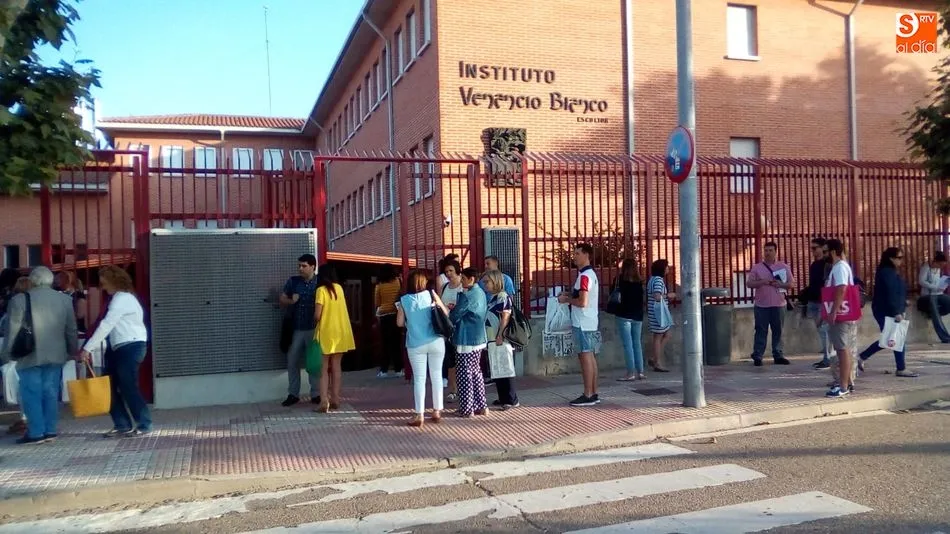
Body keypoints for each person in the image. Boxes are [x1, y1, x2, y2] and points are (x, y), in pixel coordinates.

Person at [1, 268, 76, 444]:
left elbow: (12, 329)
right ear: (51, 281)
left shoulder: (19, 300)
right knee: (51, 392)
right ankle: (50, 430)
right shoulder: (65, 300)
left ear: (33, 281)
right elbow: (71, 329)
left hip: (29, 354)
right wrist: (73, 351)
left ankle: (36, 432)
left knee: (31, 393)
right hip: (57, 353)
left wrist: (7, 354)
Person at [80, 266, 150, 436]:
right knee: (111, 386)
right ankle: (123, 424)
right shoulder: (123, 298)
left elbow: (107, 324)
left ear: (114, 281)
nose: (102, 287)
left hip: (129, 346)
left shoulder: (122, 299)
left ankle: (142, 424)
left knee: (127, 386)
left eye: (104, 283)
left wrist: (88, 347)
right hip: (123, 346)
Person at [396, 270, 447, 427]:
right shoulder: (431, 295)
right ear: (424, 282)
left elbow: (399, 323)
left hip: (415, 343)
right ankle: (437, 410)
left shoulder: (404, 300)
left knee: (419, 379)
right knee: (437, 375)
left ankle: (419, 414)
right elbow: (444, 313)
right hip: (436, 341)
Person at [858, 248, 918, 378]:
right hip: (886, 310)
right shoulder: (886, 272)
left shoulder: (891, 272)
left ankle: (863, 357)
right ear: (891, 258)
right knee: (893, 338)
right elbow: (890, 293)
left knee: (893, 338)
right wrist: (896, 311)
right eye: (899, 257)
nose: (901, 260)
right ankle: (900, 368)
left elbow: (897, 291)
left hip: (891, 309)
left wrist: (904, 302)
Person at [560, 243, 601, 407]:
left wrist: (566, 300)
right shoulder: (589, 275)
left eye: (577, 253)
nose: (574, 256)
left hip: (582, 321)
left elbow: (582, 301)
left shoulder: (585, 276)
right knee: (589, 356)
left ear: (586, 255)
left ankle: (588, 393)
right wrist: (570, 294)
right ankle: (594, 391)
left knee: (585, 357)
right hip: (589, 320)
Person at [313, 264, 356, 414]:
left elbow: (318, 315)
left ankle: (324, 401)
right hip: (340, 332)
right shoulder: (339, 288)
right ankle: (336, 398)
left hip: (326, 332)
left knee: (323, 369)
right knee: (337, 366)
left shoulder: (320, 291)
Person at [278, 254, 320, 407]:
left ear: (313, 266)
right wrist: (291, 301)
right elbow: (282, 299)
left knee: (314, 362)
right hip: (296, 328)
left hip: (314, 329)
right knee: (292, 361)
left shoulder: (320, 282)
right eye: (299, 266)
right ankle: (293, 394)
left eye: (304, 266)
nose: (300, 268)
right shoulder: (293, 282)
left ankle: (316, 393)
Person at [449, 267, 489, 417]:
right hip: (478, 337)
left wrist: (450, 311)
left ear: (471, 279)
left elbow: (456, 315)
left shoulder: (469, 295)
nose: (462, 281)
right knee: (476, 372)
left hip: (466, 337)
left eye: (464, 279)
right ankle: (481, 405)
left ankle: (467, 408)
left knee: (464, 373)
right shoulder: (480, 293)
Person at [745, 242, 794, 366]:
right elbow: (749, 283)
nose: (768, 253)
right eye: (766, 250)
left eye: (770, 250)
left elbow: (790, 284)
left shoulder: (783, 267)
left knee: (778, 330)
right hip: (762, 305)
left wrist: (780, 284)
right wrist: (762, 281)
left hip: (779, 304)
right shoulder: (757, 267)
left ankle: (778, 355)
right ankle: (758, 355)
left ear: (776, 251)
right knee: (761, 330)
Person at [824, 239, 859, 398]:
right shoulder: (841, 267)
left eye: (826, 252)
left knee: (842, 349)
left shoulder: (839, 268)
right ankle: (846, 382)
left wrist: (834, 311)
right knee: (843, 349)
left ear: (832, 252)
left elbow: (841, 288)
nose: (824, 255)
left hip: (841, 315)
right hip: (842, 313)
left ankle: (843, 386)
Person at [482, 269, 519, 410]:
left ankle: (511, 399)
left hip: (499, 337)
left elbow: (505, 316)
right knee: (497, 368)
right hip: (491, 337)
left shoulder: (502, 296)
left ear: (495, 281)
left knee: (505, 368)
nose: (485, 285)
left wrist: (501, 334)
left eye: (487, 282)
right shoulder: (492, 297)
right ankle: (503, 397)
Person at [612, 259, 645, 381]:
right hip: (638, 315)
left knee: (628, 345)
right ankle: (640, 371)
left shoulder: (620, 280)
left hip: (623, 314)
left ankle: (630, 372)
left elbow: (613, 293)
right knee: (637, 343)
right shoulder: (639, 281)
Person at [805, 238, 834, 369]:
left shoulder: (828, 265)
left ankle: (828, 358)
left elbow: (828, 285)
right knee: (821, 331)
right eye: (812, 248)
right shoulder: (814, 265)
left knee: (825, 330)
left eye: (815, 248)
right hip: (814, 300)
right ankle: (827, 356)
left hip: (824, 302)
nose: (813, 251)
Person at [439, 259, 464, 403]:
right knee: (450, 361)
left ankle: (464, 388)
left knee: (463, 360)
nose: (448, 274)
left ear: (457, 271)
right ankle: (453, 389)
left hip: (461, 327)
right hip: (447, 328)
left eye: (451, 271)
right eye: (446, 271)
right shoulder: (444, 287)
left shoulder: (463, 286)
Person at [374, 264, 403, 378]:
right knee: (396, 343)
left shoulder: (379, 285)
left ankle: (384, 370)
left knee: (385, 344)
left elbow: (377, 303)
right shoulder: (397, 282)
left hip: (384, 315)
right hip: (396, 314)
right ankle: (398, 369)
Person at [647, 259, 675, 374]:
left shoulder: (652, 279)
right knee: (659, 336)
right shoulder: (658, 280)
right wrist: (669, 295)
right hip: (658, 312)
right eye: (666, 266)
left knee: (666, 334)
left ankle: (655, 358)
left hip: (655, 312)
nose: (668, 268)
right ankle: (657, 361)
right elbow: (657, 296)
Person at [916, 251, 950, 343]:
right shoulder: (926, 267)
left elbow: (937, 283)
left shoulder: (938, 270)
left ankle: (933, 314)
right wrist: (934, 287)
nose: (940, 267)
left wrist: (942, 286)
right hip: (926, 297)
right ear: (935, 262)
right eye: (940, 265)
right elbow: (921, 281)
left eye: (942, 266)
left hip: (937, 294)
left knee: (947, 300)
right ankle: (945, 337)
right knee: (933, 301)